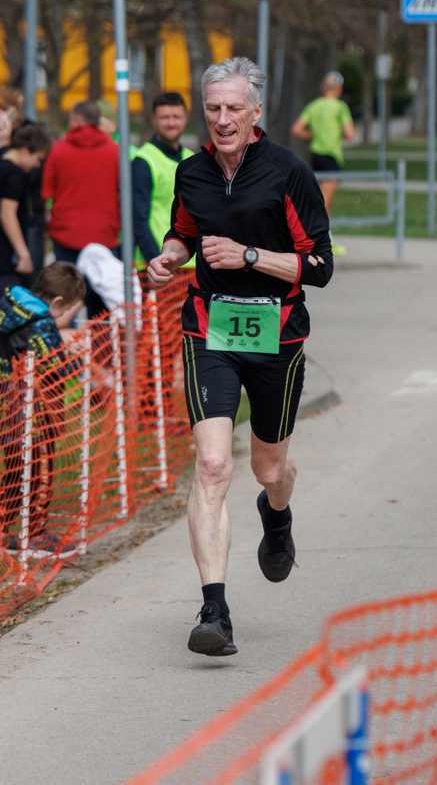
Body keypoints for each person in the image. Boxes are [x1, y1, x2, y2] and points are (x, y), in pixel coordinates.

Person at [146, 57, 334, 657]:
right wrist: (171, 256)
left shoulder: (288, 172)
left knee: (268, 470)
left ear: (257, 112)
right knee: (210, 465)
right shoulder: (192, 172)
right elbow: (186, 230)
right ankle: (214, 610)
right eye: (213, 108)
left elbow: (321, 267)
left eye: (233, 108)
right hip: (210, 331)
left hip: (277, 337)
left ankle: (276, 517)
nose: (222, 119)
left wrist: (250, 257)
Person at [0, 262, 87, 553]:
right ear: (58, 302)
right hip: (37, 412)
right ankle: (35, 532)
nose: (66, 317)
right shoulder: (41, 321)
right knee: (39, 472)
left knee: (15, 470)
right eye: (69, 310)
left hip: (8, 405)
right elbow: (53, 365)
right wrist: (78, 359)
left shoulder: (12, 311)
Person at [0, 124, 51, 393]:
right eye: (37, 159)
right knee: (1, 318)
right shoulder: (14, 174)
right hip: (5, 257)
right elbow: (7, 214)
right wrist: (24, 252)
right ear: (26, 150)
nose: (35, 166)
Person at [42, 100, 120, 317]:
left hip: (66, 236)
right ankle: (100, 351)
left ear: (76, 120)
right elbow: (123, 196)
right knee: (101, 310)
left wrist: (44, 232)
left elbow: (45, 195)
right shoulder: (115, 153)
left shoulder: (57, 151)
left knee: (63, 305)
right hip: (104, 238)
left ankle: (64, 349)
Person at [0, 87, 46, 287]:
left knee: (29, 286)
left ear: (11, 112)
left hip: (27, 221)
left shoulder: (32, 137)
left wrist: (5, 148)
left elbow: (31, 177)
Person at [132, 91, 194, 274]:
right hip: (159, 264)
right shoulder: (143, 161)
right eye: (165, 117)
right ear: (154, 120)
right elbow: (138, 220)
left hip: (191, 264)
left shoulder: (192, 159)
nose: (171, 122)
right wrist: (156, 261)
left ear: (186, 119)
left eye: (176, 116)